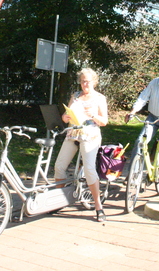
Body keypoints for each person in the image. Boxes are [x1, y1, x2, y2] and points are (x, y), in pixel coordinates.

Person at [54, 68, 109, 222]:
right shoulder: (76, 96)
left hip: (90, 135)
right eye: (83, 81)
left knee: (90, 169)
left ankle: (98, 207)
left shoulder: (99, 98)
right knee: (59, 166)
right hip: (73, 133)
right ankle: (59, 199)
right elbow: (67, 114)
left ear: (94, 82)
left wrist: (93, 115)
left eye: (88, 81)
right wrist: (65, 117)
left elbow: (104, 121)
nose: (85, 84)